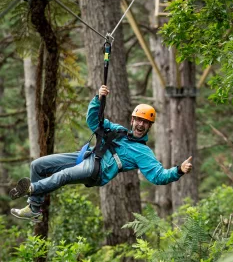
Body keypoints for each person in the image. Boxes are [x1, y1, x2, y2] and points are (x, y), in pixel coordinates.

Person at [9, 85, 193, 223]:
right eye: (138, 120)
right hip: (87, 157)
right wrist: (98, 99)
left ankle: (33, 188)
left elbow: (159, 176)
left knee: (63, 175)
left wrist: (179, 170)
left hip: (97, 171)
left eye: (145, 122)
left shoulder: (143, 152)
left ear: (149, 127)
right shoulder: (119, 130)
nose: (140, 124)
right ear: (132, 120)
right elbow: (93, 121)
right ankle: (34, 208)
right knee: (38, 165)